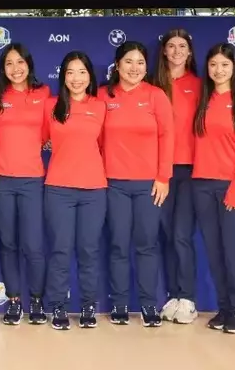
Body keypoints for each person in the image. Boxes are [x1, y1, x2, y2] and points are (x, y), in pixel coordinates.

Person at [100, 40, 174, 327]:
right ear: (117, 65)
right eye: (128, 61)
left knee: (146, 245)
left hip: (148, 185)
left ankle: (147, 305)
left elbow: (167, 137)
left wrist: (163, 177)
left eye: (140, 62)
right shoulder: (104, 97)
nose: (134, 67)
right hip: (113, 183)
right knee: (118, 245)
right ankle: (119, 304)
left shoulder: (156, 96)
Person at [192, 43, 235, 335]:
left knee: (233, 251)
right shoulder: (203, 100)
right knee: (214, 251)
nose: (218, 71)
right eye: (213, 65)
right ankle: (224, 307)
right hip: (202, 186)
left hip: (231, 186)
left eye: (224, 65)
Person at [0, 42, 52, 325]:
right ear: (3, 69)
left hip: (32, 180)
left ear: (29, 64)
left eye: (20, 62)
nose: (16, 68)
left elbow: (49, 134)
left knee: (34, 244)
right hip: (1, 178)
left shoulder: (43, 94)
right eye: (9, 63)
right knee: (8, 242)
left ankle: (37, 299)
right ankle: (14, 300)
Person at [44, 51, 106, 330]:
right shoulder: (50, 106)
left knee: (89, 250)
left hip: (94, 189)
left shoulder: (100, 105)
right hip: (58, 189)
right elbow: (40, 140)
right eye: (70, 72)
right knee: (60, 250)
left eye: (82, 72)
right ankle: (57, 306)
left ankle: (88, 306)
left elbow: (104, 144)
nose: (76, 78)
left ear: (90, 76)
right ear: (63, 76)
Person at [152, 28, 202, 324]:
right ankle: (173, 294)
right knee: (167, 235)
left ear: (190, 52)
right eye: (171, 45)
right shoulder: (152, 86)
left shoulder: (200, 85)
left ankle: (188, 297)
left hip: (188, 169)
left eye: (182, 45)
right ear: (164, 52)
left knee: (182, 235)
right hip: (158, 170)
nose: (176, 51)